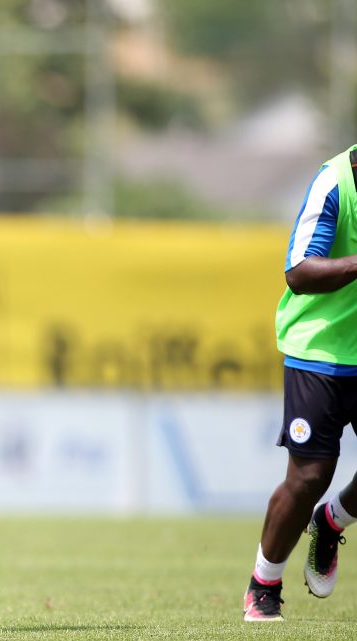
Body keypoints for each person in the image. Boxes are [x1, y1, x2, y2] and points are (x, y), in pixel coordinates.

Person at [243, 145, 357, 621]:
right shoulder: (335, 182)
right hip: (320, 352)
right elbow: (299, 272)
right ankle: (263, 584)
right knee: (310, 476)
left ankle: (331, 522)